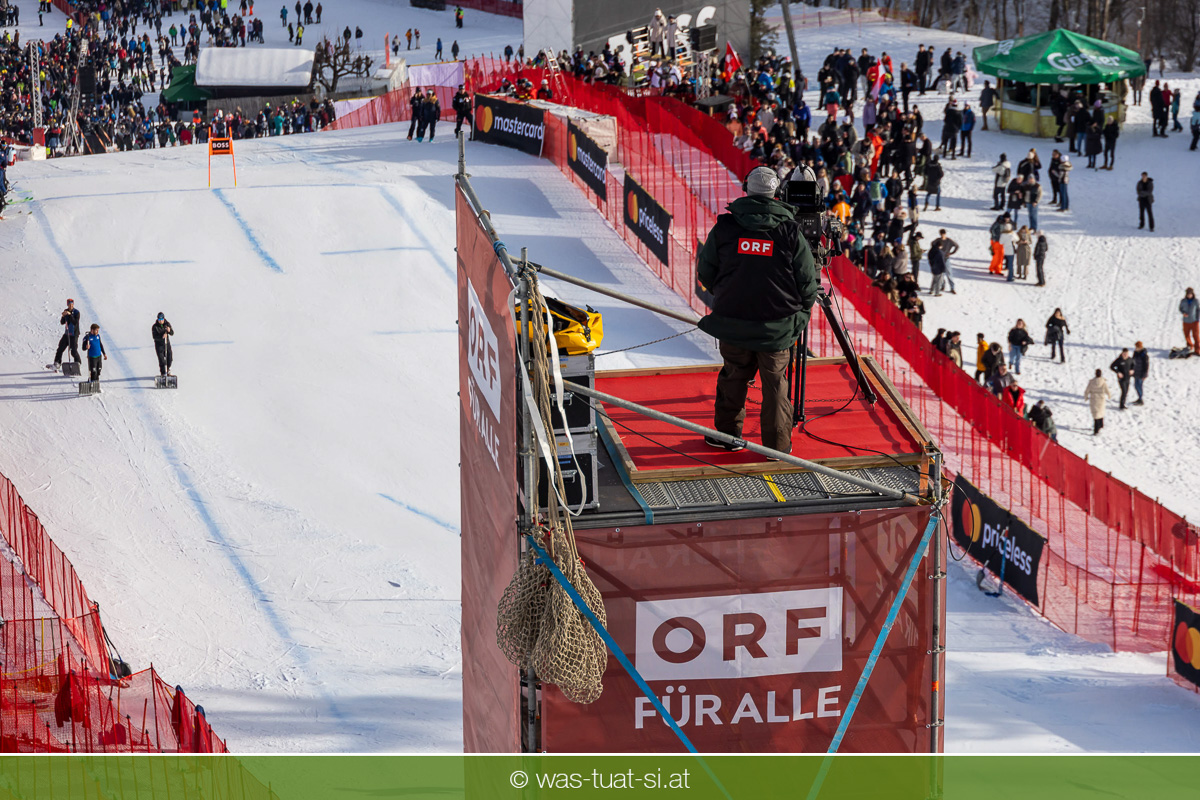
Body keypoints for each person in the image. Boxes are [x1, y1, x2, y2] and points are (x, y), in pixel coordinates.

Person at [695, 166, 820, 455]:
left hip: (733, 323)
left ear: (746, 189)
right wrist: (801, 313)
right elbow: (807, 281)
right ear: (776, 193)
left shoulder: (725, 227)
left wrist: (729, 296)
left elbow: (706, 272)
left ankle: (725, 436)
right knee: (775, 386)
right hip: (776, 329)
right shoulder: (790, 231)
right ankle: (776, 446)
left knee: (733, 376)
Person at [53, 299, 81, 369]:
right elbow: (62, 322)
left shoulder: (77, 312)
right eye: (69, 304)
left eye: (72, 304)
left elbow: (75, 322)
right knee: (60, 348)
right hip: (67, 333)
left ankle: (78, 363)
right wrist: (63, 316)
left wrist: (70, 315)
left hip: (74, 334)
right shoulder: (66, 311)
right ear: (67, 305)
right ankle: (57, 363)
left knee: (73, 351)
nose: (71, 306)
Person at [1084, 368, 1111, 435]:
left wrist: (1086, 397)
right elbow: (1107, 389)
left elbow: (1087, 390)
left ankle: (1096, 429)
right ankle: (1101, 425)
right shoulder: (1103, 381)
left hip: (1094, 398)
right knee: (1101, 411)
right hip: (1101, 398)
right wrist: (1109, 395)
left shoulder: (1091, 382)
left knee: (1095, 413)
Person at [153, 313, 174, 377]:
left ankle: (168, 369)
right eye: (159, 319)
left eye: (162, 319)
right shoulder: (155, 327)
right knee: (162, 359)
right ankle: (163, 372)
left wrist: (169, 330)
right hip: (159, 345)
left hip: (166, 343)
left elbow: (172, 333)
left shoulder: (167, 324)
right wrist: (161, 337)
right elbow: (154, 337)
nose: (160, 321)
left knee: (169, 356)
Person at [1181, 287, 1200, 356]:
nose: (1189, 295)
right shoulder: (1183, 301)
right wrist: (1183, 312)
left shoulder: (1196, 301)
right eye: (1188, 294)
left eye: (1190, 294)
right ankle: (1189, 347)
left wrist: (1197, 319)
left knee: (1196, 336)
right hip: (1186, 321)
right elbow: (1180, 308)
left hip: (1194, 321)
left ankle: (1197, 350)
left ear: (1192, 294)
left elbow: (1198, 310)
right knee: (1187, 335)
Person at [1132, 341, 1149, 406]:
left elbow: (1146, 366)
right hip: (1136, 372)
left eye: (1137, 347)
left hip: (1141, 373)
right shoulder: (1135, 353)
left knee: (1139, 386)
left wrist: (1144, 375)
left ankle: (1141, 399)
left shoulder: (1144, 355)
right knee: (1136, 386)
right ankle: (1139, 398)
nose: (1136, 348)